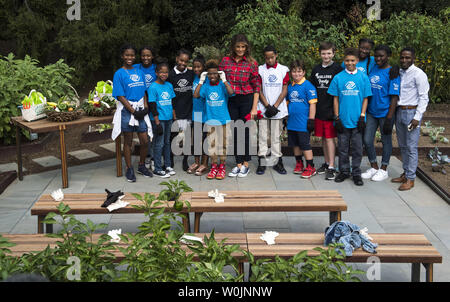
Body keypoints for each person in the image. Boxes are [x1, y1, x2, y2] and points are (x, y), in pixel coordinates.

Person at [219, 34, 261, 178]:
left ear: (247, 47)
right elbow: (217, 77)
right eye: (238, 46)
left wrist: (254, 108)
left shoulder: (252, 63)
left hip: (247, 99)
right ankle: (238, 164)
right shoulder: (225, 61)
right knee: (235, 131)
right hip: (231, 99)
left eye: (243, 47)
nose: (240, 49)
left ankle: (245, 164)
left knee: (245, 131)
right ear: (233, 47)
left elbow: (256, 87)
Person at [329, 47, 372, 186]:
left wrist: (362, 115)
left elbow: (366, 98)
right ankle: (344, 171)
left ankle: (356, 173)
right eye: (347, 60)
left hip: (357, 120)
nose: (350, 63)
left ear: (357, 61)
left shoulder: (363, 77)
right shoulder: (338, 78)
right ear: (344, 61)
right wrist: (336, 117)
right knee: (342, 148)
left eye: (353, 60)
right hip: (343, 119)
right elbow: (335, 98)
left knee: (357, 148)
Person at [112, 44, 153, 182]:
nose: (129, 58)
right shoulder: (119, 73)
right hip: (128, 111)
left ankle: (141, 165)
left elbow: (144, 92)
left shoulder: (139, 71)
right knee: (128, 141)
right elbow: (120, 95)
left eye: (132, 55)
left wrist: (145, 107)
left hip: (140, 110)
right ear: (122, 56)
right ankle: (129, 168)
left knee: (144, 140)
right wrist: (132, 111)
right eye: (127, 55)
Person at [391, 47, 430, 191]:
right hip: (400, 112)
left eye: (407, 58)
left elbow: (424, 97)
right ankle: (405, 173)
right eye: (402, 57)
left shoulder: (419, 74)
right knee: (403, 146)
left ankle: (411, 178)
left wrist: (417, 117)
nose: (404, 60)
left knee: (411, 147)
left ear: (413, 58)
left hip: (412, 113)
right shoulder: (400, 72)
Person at [362, 45, 400, 181]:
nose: (378, 58)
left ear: (388, 56)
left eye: (381, 56)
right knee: (367, 140)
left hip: (385, 113)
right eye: (376, 55)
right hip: (372, 112)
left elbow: (394, 97)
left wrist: (390, 118)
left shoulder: (392, 73)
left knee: (386, 140)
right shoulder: (373, 67)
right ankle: (374, 166)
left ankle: (384, 169)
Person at [194, 59, 234, 180]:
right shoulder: (205, 86)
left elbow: (231, 92)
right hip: (210, 120)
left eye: (215, 73)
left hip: (223, 120)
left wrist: (225, 80)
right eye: (210, 73)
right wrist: (201, 81)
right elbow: (196, 95)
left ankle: (222, 167)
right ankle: (214, 166)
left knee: (223, 145)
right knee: (212, 145)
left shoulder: (222, 85)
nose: (212, 76)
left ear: (219, 73)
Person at [309, 41, 343, 180]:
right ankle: (326, 162)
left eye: (329, 53)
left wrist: (337, 112)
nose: (326, 56)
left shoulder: (338, 69)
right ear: (320, 54)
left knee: (330, 138)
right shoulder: (316, 69)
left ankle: (332, 166)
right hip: (319, 109)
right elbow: (312, 89)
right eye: (323, 53)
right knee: (323, 138)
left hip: (331, 109)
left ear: (333, 53)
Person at [256, 45, 289, 175]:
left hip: (278, 109)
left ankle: (277, 162)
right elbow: (258, 89)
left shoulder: (283, 69)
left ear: (276, 56)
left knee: (276, 136)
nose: (269, 60)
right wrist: (267, 106)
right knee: (263, 136)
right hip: (263, 108)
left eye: (272, 57)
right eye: (267, 58)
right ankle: (262, 162)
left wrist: (275, 106)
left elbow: (285, 89)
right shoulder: (260, 69)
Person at [286, 60, 317, 179]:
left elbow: (313, 104)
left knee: (305, 145)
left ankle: (310, 166)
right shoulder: (290, 86)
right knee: (295, 144)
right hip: (292, 122)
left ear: (304, 72)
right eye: (294, 71)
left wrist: (311, 120)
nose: (296, 74)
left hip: (303, 122)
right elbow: (288, 103)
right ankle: (299, 163)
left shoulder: (308, 86)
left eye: (299, 71)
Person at [147, 61, 177, 178]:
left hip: (169, 118)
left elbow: (172, 102)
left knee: (167, 142)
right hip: (159, 120)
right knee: (158, 144)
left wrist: (174, 118)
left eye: (166, 72)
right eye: (161, 72)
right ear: (156, 73)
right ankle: (158, 168)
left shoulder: (169, 85)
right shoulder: (153, 87)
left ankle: (168, 166)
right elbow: (152, 105)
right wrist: (157, 122)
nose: (164, 74)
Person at [168, 49, 195, 173]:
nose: (183, 63)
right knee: (173, 138)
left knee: (187, 139)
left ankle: (185, 161)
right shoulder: (170, 75)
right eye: (181, 60)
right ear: (176, 59)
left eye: (186, 61)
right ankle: (171, 161)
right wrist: (173, 112)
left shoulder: (191, 74)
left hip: (188, 110)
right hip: (175, 111)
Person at [133, 46, 157, 170]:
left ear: (152, 56)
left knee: (153, 130)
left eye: (148, 55)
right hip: (141, 103)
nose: (146, 58)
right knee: (144, 133)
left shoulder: (156, 68)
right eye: (143, 55)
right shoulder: (136, 68)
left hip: (153, 103)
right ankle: (147, 156)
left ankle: (153, 157)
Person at [188, 55, 209, 176]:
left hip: (206, 113)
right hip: (196, 113)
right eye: (195, 67)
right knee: (196, 139)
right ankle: (196, 162)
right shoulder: (194, 77)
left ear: (203, 67)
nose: (196, 69)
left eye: (198, 67)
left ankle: (204, 163)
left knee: (206, 139)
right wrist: (192, 68)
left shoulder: (208, 79)